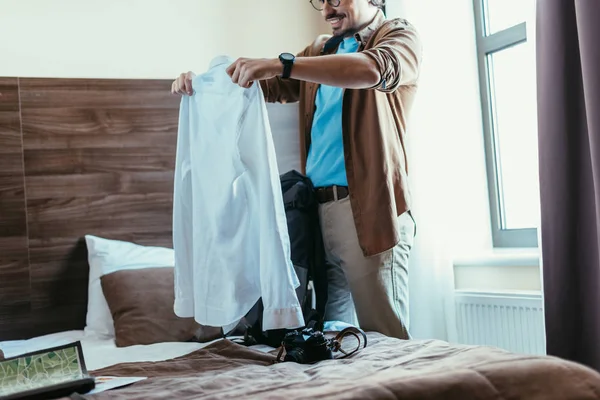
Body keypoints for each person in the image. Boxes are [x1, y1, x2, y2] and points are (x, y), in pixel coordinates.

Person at [171, 0, 422, 340]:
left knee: (384, 339)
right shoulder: (319, 49)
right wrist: (202, 84)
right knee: (334, 341)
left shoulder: (397, 36)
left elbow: (374, 70)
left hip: (367, 214)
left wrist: (283, 64)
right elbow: (266, 85)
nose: (328, 9)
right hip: (315, 214)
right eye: (321, 1)